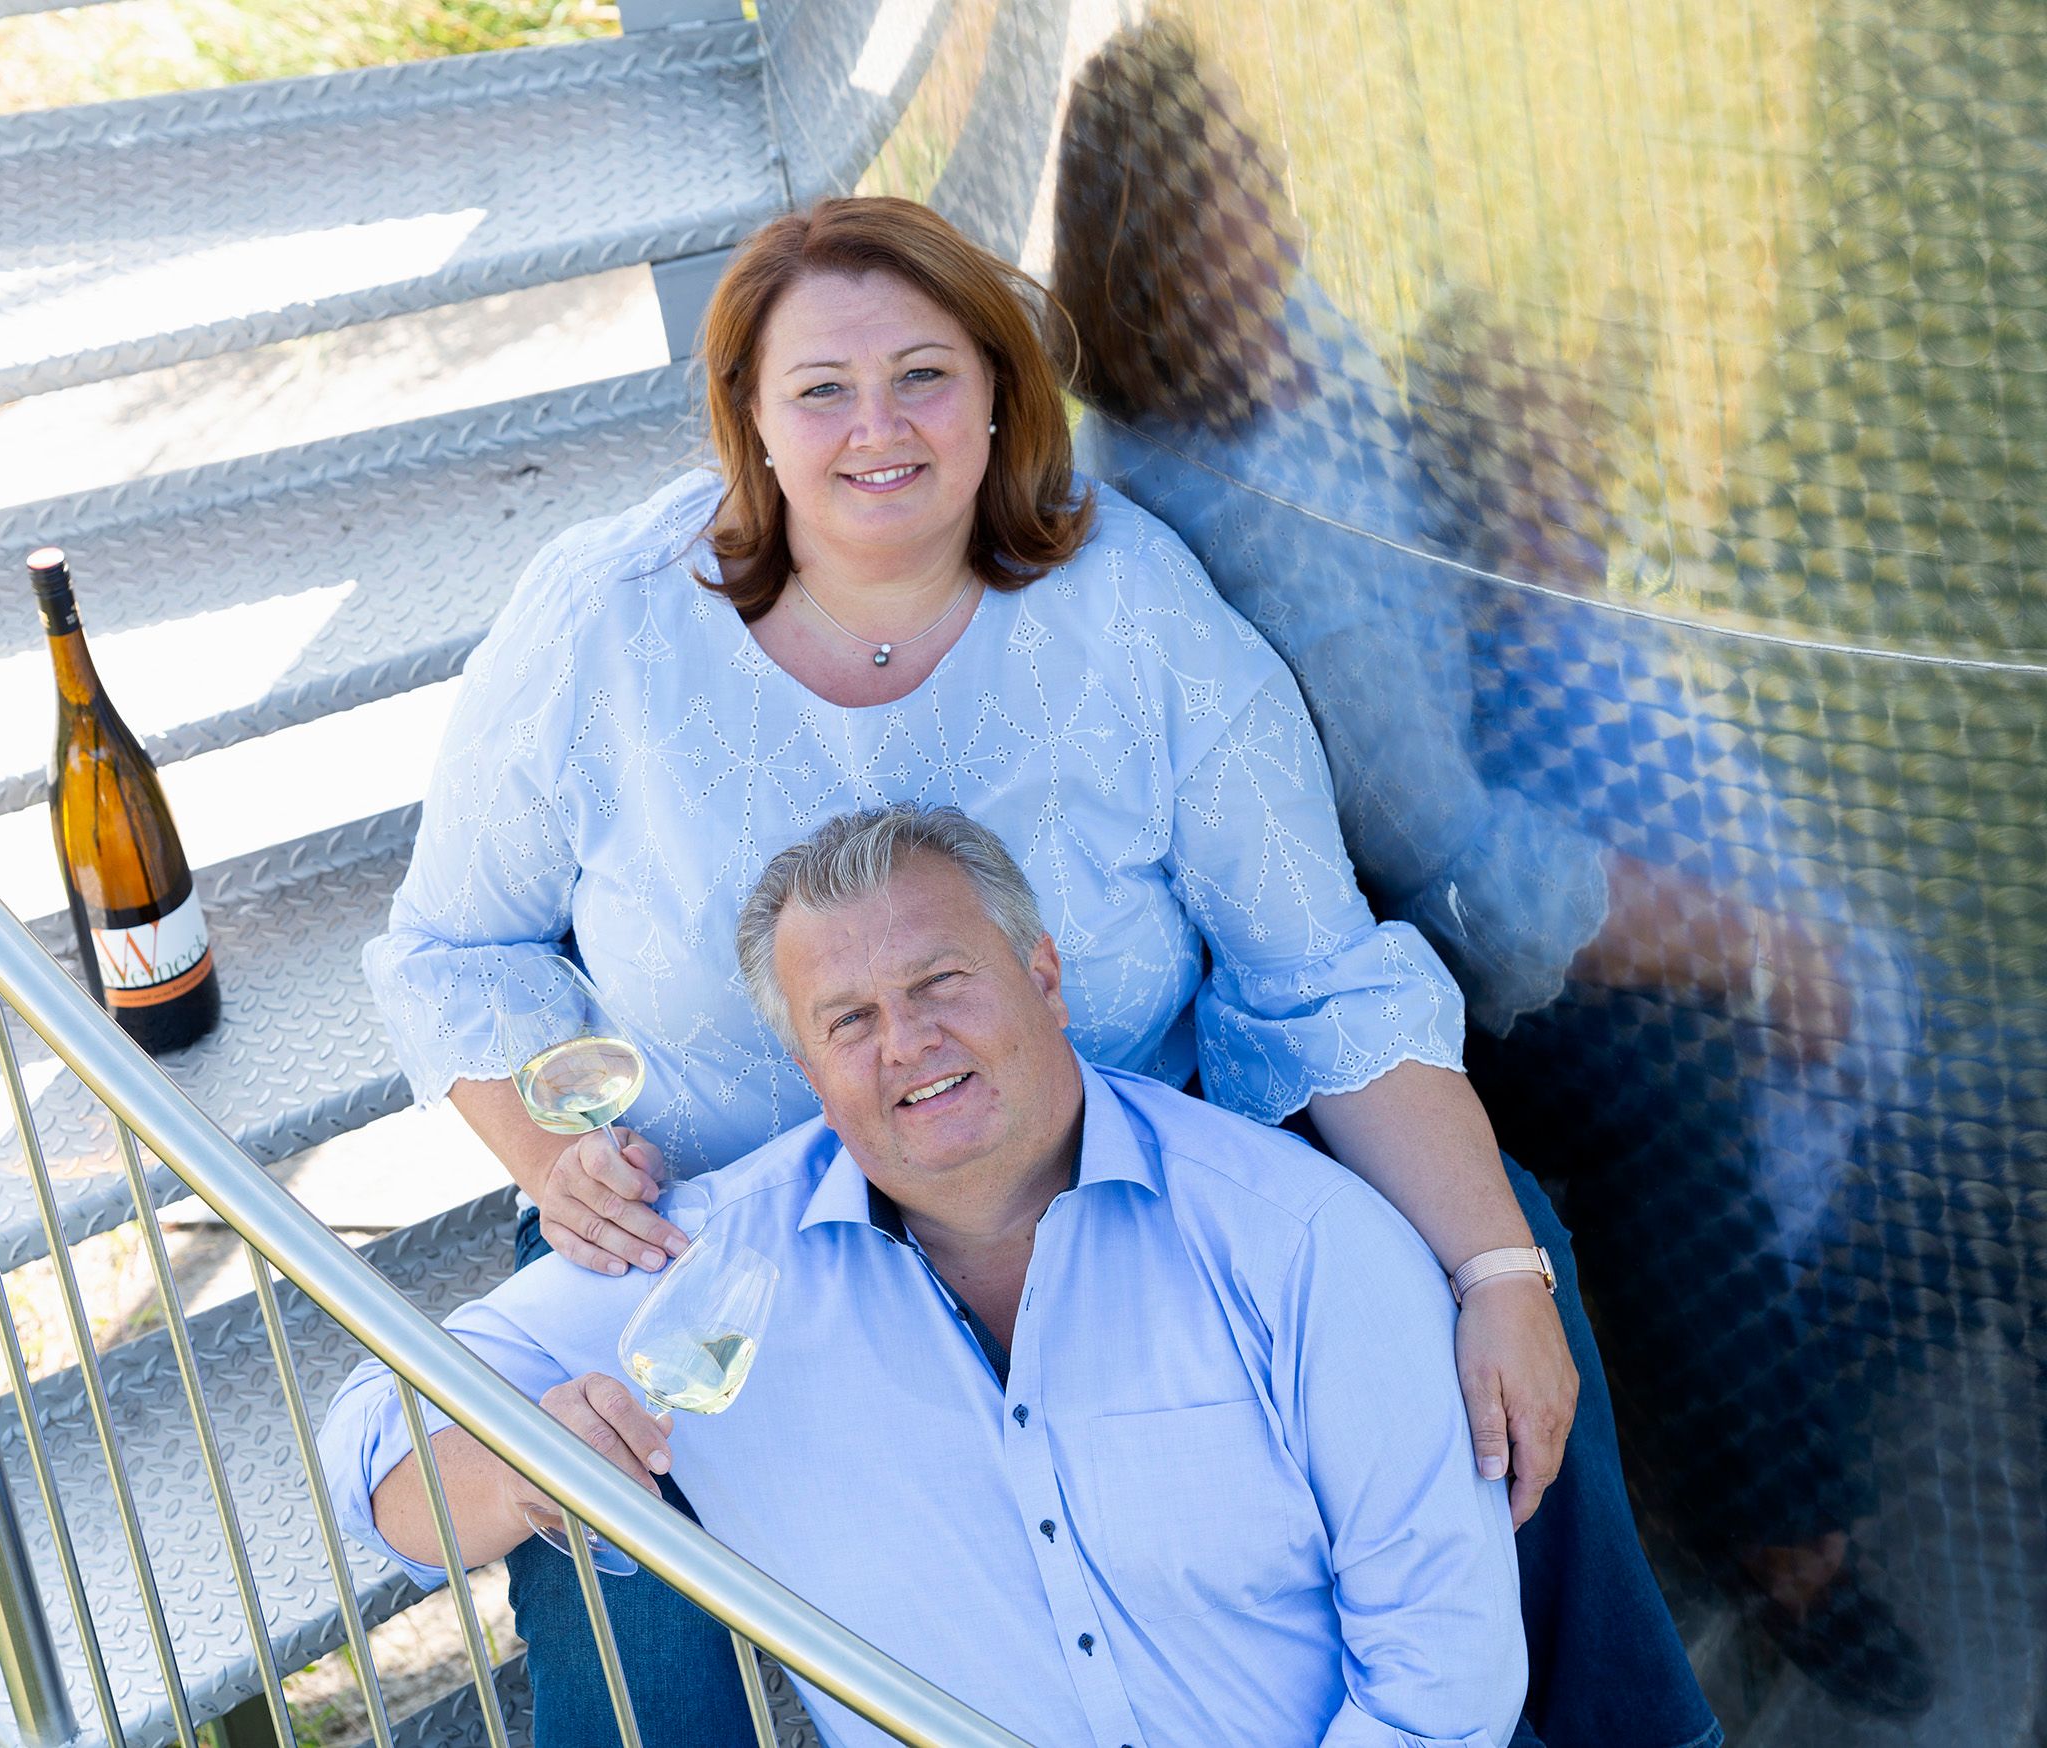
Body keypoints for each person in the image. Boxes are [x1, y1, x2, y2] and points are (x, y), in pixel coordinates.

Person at [362, 193, 1670, 1745]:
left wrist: (1497, 1277)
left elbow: (1317, 975)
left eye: (924, 374)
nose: (878, 430)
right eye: (821, 391)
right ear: (750, 424)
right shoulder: (606, 621)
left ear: (999, 395)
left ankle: (1626, 1729)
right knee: (603, 1531)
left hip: (1113, 1199)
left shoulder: (1129, 606)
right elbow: (451, 947)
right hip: (722, 1239)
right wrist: (552, 1152)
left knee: (1510, 1277)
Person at [1047, 11, 1925, 1721]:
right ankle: (1788, 1540)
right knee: (1670, 1076)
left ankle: (1800, 1329)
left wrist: (1522, 476)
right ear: (1144, 270)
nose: (1272, 234)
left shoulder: (1290, 334)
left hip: (1454, 788)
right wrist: (1749, 951)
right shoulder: (1235, 526)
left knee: (1805, 915)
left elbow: (1434, 523)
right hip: (1323, 950)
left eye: (1260, 183)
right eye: (1220, 218)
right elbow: (1457, 873)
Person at [328, 806, 1529, 1748]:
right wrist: (516, 1465)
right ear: (807, 1063)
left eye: (941, 981)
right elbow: (371, 1453)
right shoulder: (708, 1266)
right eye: (847, 1018)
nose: (905, 1041)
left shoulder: (1302, 1240)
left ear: (1044, 977)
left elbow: (1442, 1678)